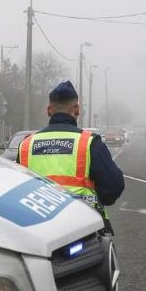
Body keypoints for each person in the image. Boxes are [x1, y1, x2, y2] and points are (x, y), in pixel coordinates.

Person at [18, 80, 125, 232]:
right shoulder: (89, 142)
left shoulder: (26, 145)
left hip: (36, 228)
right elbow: (114, 187)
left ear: (49, 110)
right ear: (77, 109)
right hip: (84, 228)